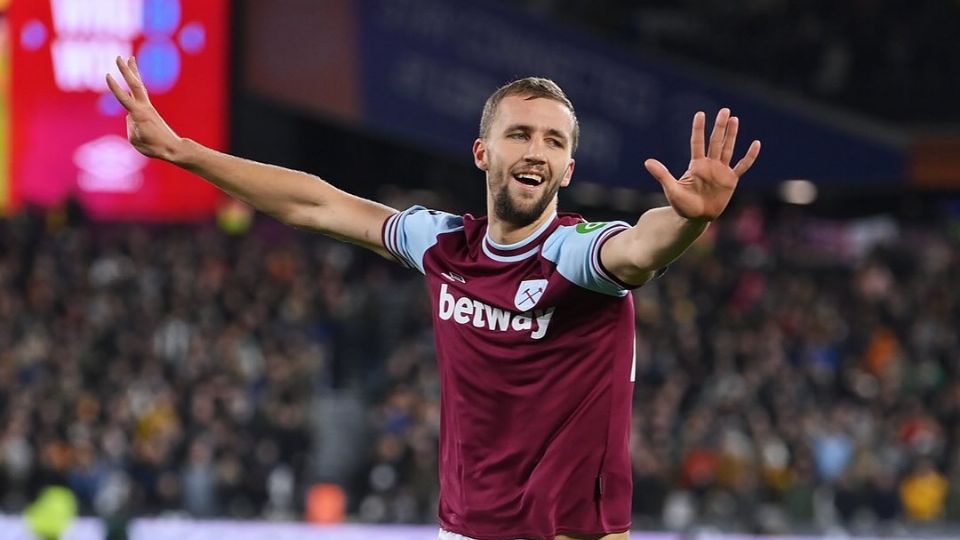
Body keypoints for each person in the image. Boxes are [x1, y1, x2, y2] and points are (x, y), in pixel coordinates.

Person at [107, 56, 760, 540]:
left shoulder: (579, 254)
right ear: (483, 152)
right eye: (521, 134)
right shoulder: (442, 244)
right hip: (462, 530)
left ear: (568, 170)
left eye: (554, 142)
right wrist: (182, 152)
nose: (537, 150)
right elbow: (316, 203)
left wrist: (689, 221)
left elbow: (642, 248)